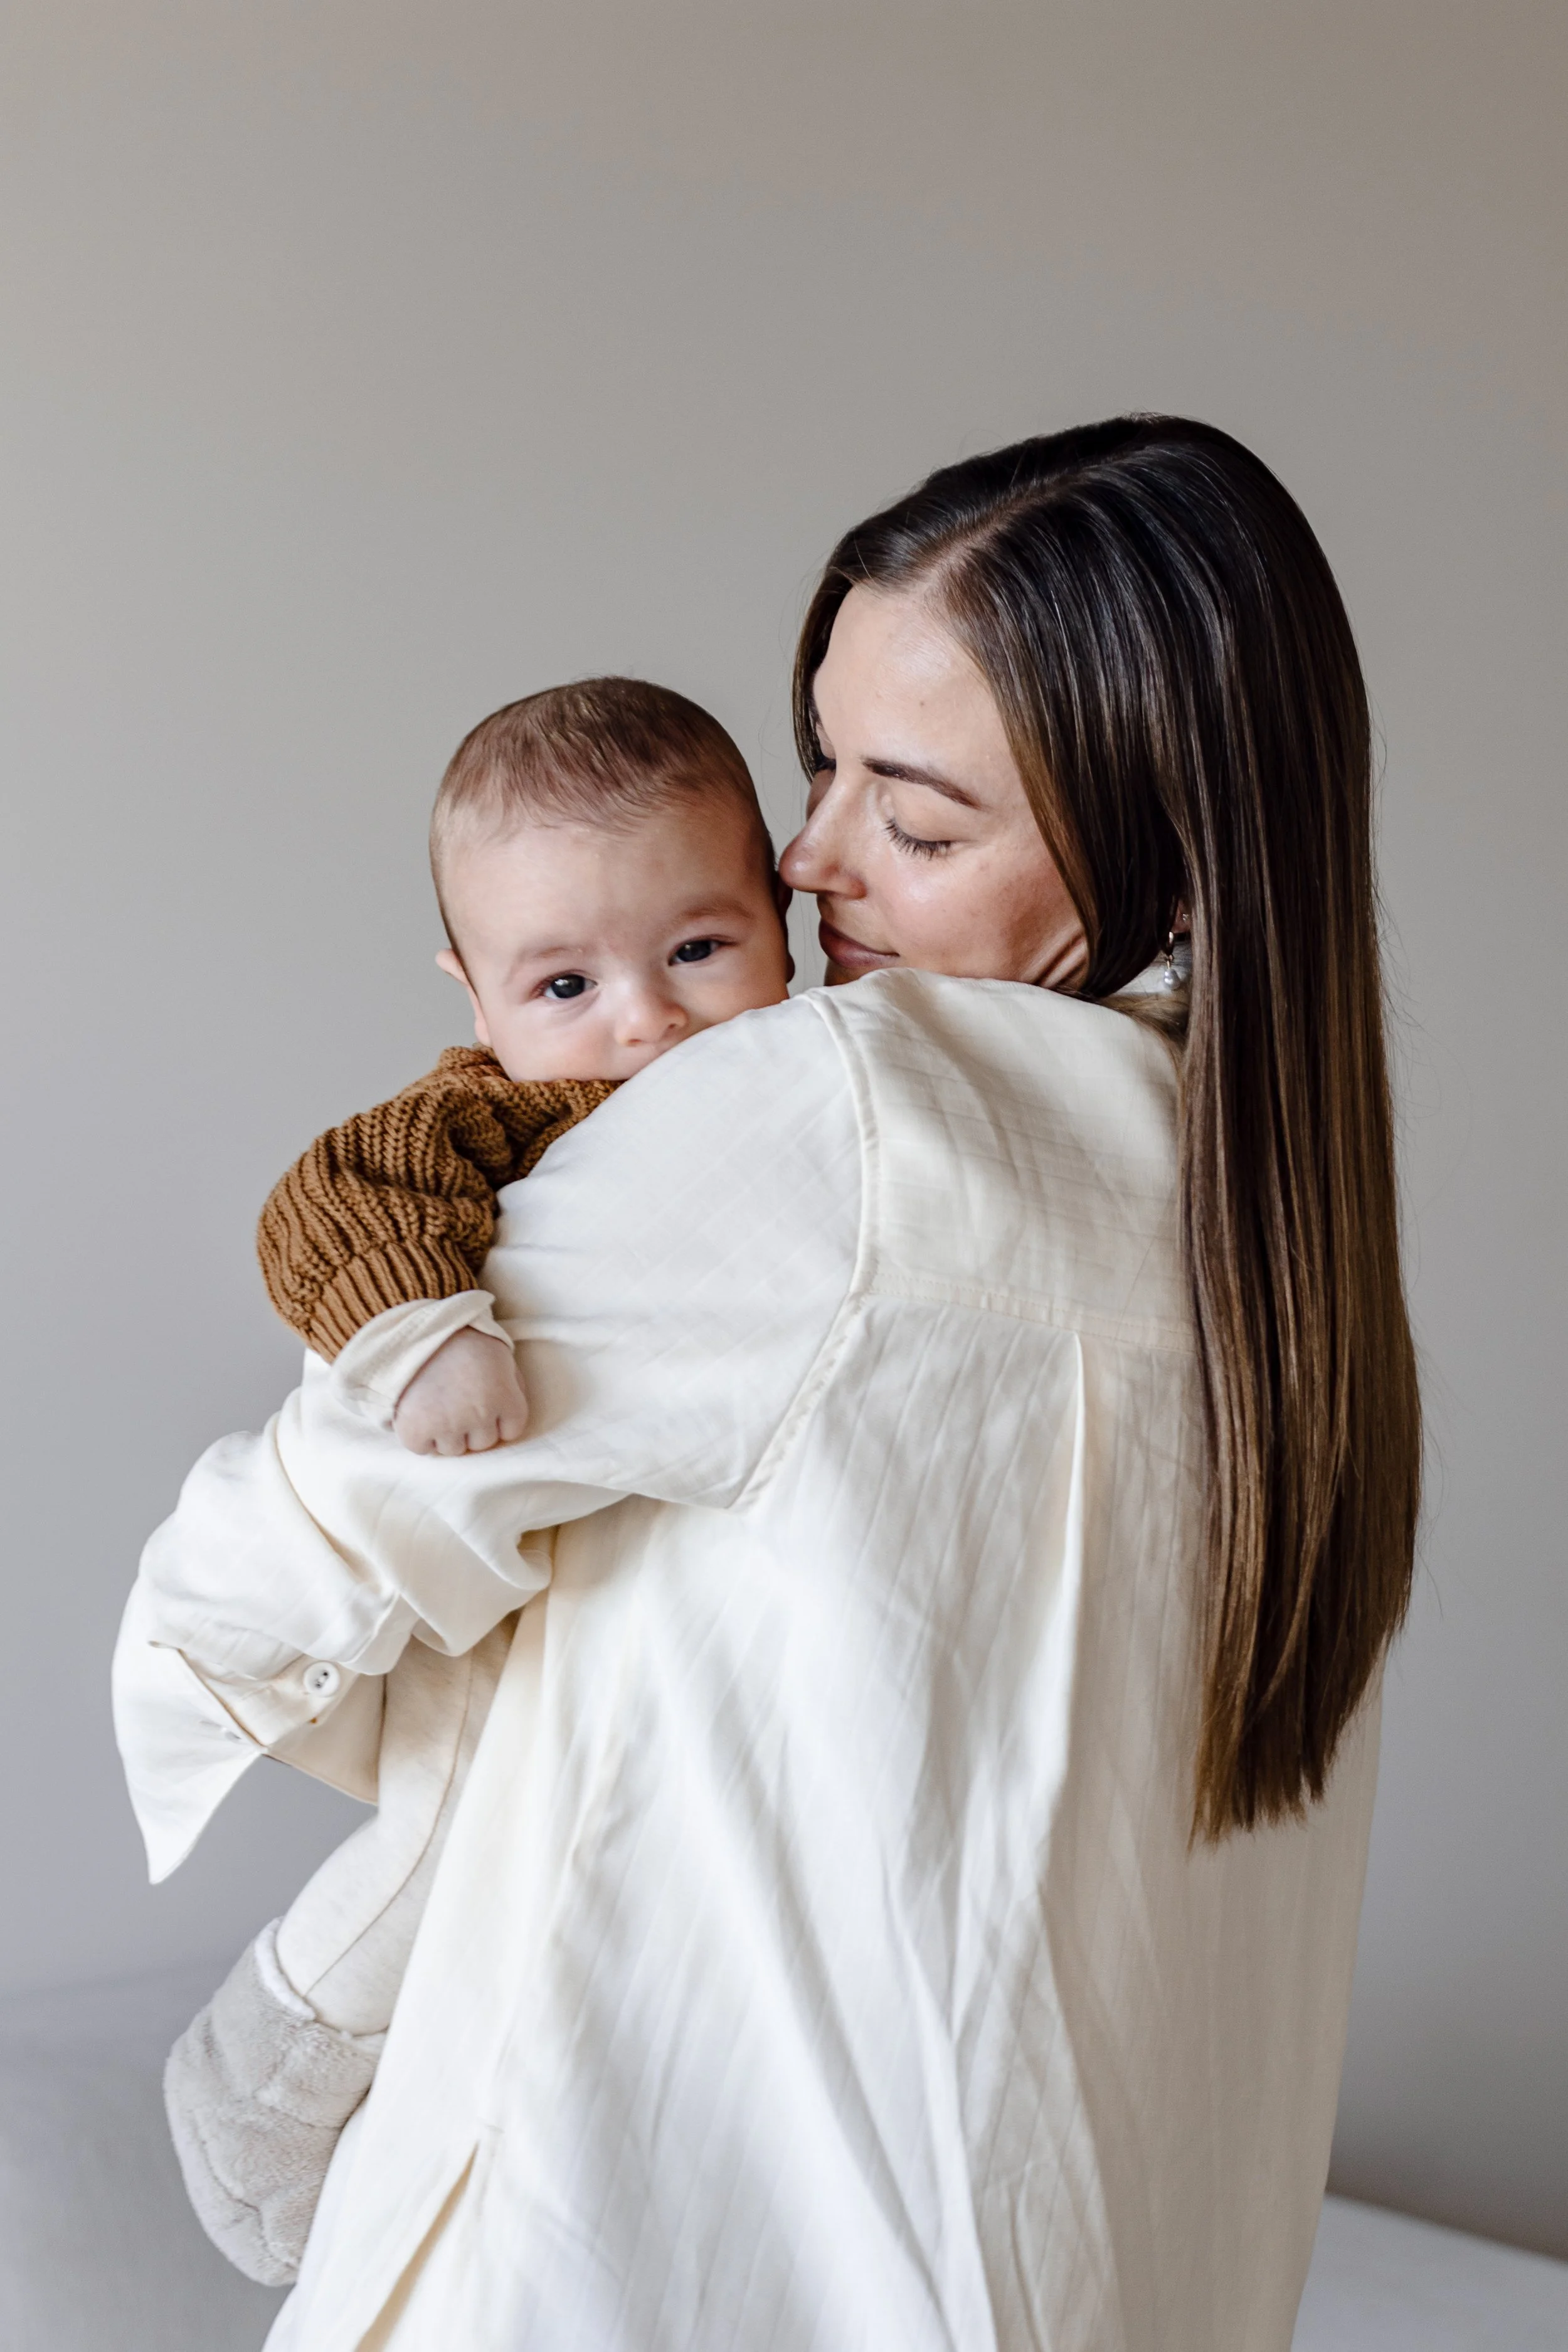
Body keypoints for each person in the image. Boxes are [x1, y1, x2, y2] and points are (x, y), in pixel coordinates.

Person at [115, 415, 1421, 2352]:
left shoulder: (845, 1112)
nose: (804, 858)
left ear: (1161, 847)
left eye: (918, 816)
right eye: (823, 759)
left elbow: (275, 1572)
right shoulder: (1290, 1259)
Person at [161, 672, 795, 2282]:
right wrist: (424, 1337)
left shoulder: (814, 1071)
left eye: (697, 949)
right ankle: (257, 2084)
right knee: (455, 1854)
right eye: (565, 979)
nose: (642, 1017)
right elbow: (328, 1202)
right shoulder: (489, 1110)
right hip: (500, 1602)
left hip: (663, 1586)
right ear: (475, 989)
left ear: (779, 901)